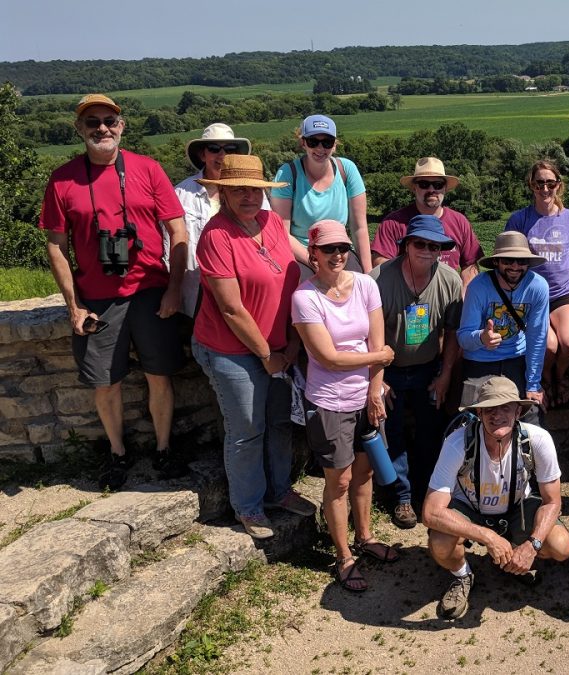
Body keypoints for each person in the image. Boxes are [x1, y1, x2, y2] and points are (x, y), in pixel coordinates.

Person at [39, 93, 189, 489]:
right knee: (105, 381)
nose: (102, 128)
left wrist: (175, 289)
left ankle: (163, 448)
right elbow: (56, 244)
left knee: (159, 375)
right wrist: (74, 306)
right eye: (92, 122)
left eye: (109, 121)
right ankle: (118, 452)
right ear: (79, 130)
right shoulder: (63, 179)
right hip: (97, 297)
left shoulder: (148, 169)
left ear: (121, 126)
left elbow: (177, 231)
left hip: (150, 289)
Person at [191, 154, 313, 540]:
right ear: (224, 193)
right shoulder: (216, 236)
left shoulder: (273, 222)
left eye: (255, 189)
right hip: (233, 350)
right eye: (238, 189)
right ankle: (249, 505)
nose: (249, 196)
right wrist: (268, 357)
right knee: (247, 429)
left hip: (280, 347)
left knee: (279, 423)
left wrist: (293, 341)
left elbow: (300, 272)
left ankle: (279, 492)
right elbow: (231, 308)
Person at [293, 220, 397, 591]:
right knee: (339, 481)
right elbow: (329, 358)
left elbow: (378, 340)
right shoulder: (305, 298)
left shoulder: (366, 284)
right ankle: (343, 556)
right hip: (330, 403)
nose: (338, 255)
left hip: (367, 396)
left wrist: (375, 390)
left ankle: (365, 538)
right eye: (329, 249)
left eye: (343, 248)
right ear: (313, 254)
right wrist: (379, 357)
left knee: (365, 474)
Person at [422, 376, 569, 620]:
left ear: (518, 411)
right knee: (439, 541)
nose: (497, 415)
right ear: (479, 414)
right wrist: (488, 537)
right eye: (489, 408)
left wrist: (533, 544)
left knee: (561, 546)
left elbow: (553, 501)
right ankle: (462, 575)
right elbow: (430, 512)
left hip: (516, 508)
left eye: (505, 407)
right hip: (470, 509)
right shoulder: (458, 442)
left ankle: (515, 557)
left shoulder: (537, 439)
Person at [369, 215, 463, 529]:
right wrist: (377, 380)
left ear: (441, 249)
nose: (426, 249)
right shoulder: (380, 279)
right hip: (389, 370)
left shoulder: (450, 280)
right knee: (391, 432)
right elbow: (367, 334)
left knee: (430, 432)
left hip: (428, 369)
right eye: (419, 243)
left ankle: (426, 493)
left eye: (434, 245)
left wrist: (445, 374)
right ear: (406, 245)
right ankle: (402, 497)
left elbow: (452, 333)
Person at [505, 160, 569, 408]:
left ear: (558, 185)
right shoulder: (520, 219)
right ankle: (545, 378)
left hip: (563, 294)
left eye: (550, 183)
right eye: (539, 183)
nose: (545, 188)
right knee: (549, 346)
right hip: (531, 296)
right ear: (531, 185)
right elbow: (507, 261)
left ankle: (559, 375)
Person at [457, 231, 550, 419]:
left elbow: (537, 337)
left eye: (521, 261)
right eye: (508, 260)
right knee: (471, 420)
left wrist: (532, 384)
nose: (515, 266)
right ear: (497, 262)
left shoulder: (538, 287)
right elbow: (463, 337)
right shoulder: (478, 287)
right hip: (479, 361)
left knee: (530, 419)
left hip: (516, 359)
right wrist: (482, 338)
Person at [173, 123, 261, 318]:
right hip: (196, 285)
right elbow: (169, 243)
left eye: (229, 150)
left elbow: (268, 230)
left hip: (242, 284)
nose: (221, 155)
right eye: (214, 149)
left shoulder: (254, 191)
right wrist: (172, 289)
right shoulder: (181, 193)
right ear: (203, 155)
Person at [269, 114, 372, 272]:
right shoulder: (287, 174)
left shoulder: (347, 170)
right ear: (303, 143)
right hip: (303, 253)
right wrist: (314, 263)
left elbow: (359, 228)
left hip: (340, 251)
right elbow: (282, 232)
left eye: (327, 142)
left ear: (335, 145)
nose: (320, 148)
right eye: (313, 142)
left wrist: (368, 275)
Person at [371, 157, 483, 289]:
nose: (431, 189)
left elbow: (470, 264)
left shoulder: (460, 222)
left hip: (448, 296)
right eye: (424, 184)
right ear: (414, 187)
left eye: (438, 185)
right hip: (405, 298)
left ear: (445, 188)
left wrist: (464, 295)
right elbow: (381, 262)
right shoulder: (393, 222)